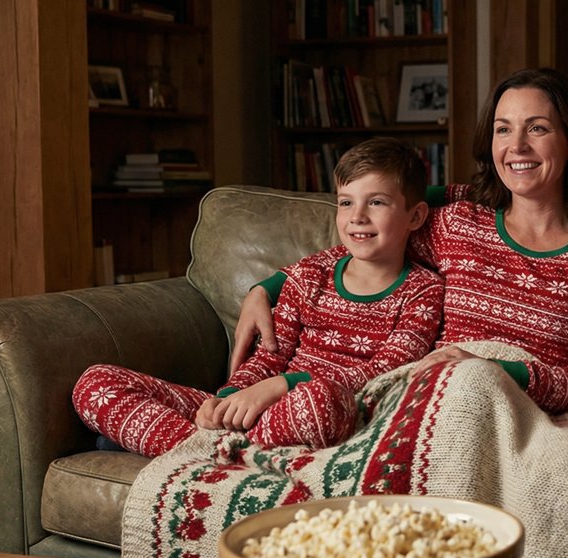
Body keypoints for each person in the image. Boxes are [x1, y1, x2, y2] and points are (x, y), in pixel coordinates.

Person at [236, 68, 568, 413]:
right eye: (503, 129)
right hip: (438, 404)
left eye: (537, 128)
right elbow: (369, 235)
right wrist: (267, 288)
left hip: (527, 410)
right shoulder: (456, 225)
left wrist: (492, 370)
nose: (517, 146)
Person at [73, 138, 444, 457]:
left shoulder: (423, 290)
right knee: (95, 382)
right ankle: (211, 449)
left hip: (327, 414)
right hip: (254, 412)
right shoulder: (309, 275)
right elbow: (269, 355)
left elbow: (385, 373)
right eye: (346, 203)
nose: (357, 217)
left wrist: (284, 386)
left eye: (376, 202)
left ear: (415, 216)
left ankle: (193, 449)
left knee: (318, 402)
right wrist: (228, 398)